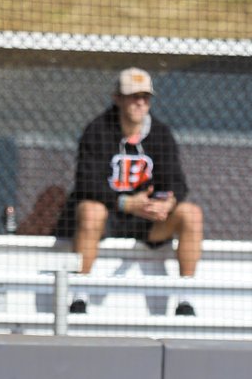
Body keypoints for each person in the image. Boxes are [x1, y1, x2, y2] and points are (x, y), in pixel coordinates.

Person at [59, 68, 204, 315]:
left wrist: (166, 204)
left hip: (147, 221)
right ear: (117, 98)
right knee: (90, 211)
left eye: (145, 97)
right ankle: (79, 295)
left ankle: (185, 298)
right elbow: (86, 183)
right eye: (133, 96)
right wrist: (125, 203)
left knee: (191, 214)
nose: (140, 103)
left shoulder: (160, 134)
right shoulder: (97, 131)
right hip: (110, 216)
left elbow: (177, 182)